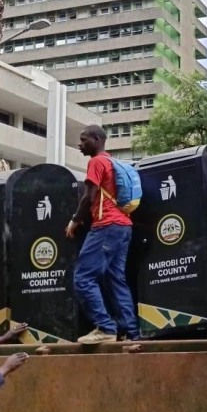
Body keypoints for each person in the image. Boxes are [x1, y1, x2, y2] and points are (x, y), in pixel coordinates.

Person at [66, 124, 140, 344]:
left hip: (106, 226)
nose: (80, 144)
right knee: (116, 279)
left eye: (84, 139)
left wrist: (74, 221)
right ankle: (131, 333)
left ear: (97, 140)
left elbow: (89, 197)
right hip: (123, 225)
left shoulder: (96, 162)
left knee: (83, 278)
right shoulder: (112, 162)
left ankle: (106, 328)